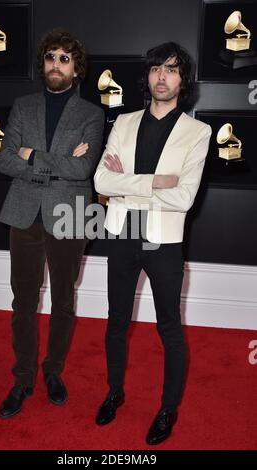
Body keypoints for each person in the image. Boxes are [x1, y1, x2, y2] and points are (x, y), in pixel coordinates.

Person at [94, 42, 211, 445]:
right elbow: (100, 182)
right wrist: (155, 182)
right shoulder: (122, 122)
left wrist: (128, 183)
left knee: (170, 329)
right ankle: (113, 391)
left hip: (165, 241)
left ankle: (167, 409)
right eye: (157, 68)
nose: (163, 75)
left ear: (183, 80)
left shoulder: (198, 132)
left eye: (173, 69)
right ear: (147, 76)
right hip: (122, 232)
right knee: (116, 322)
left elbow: (184, 198)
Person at [0, 29, 104, 419]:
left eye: (64, 58)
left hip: (70, 214)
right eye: (50, 57)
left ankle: (53, 371)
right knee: (22, 301)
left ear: (76, 70)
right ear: (42, 63)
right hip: (23, 214)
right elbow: (6, 160)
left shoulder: (92, 113)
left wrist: (32, 156)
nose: (55, 64)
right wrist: (50, 163)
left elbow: (83, 168)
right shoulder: (23, 106)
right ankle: (22, 378)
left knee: (63, 301)